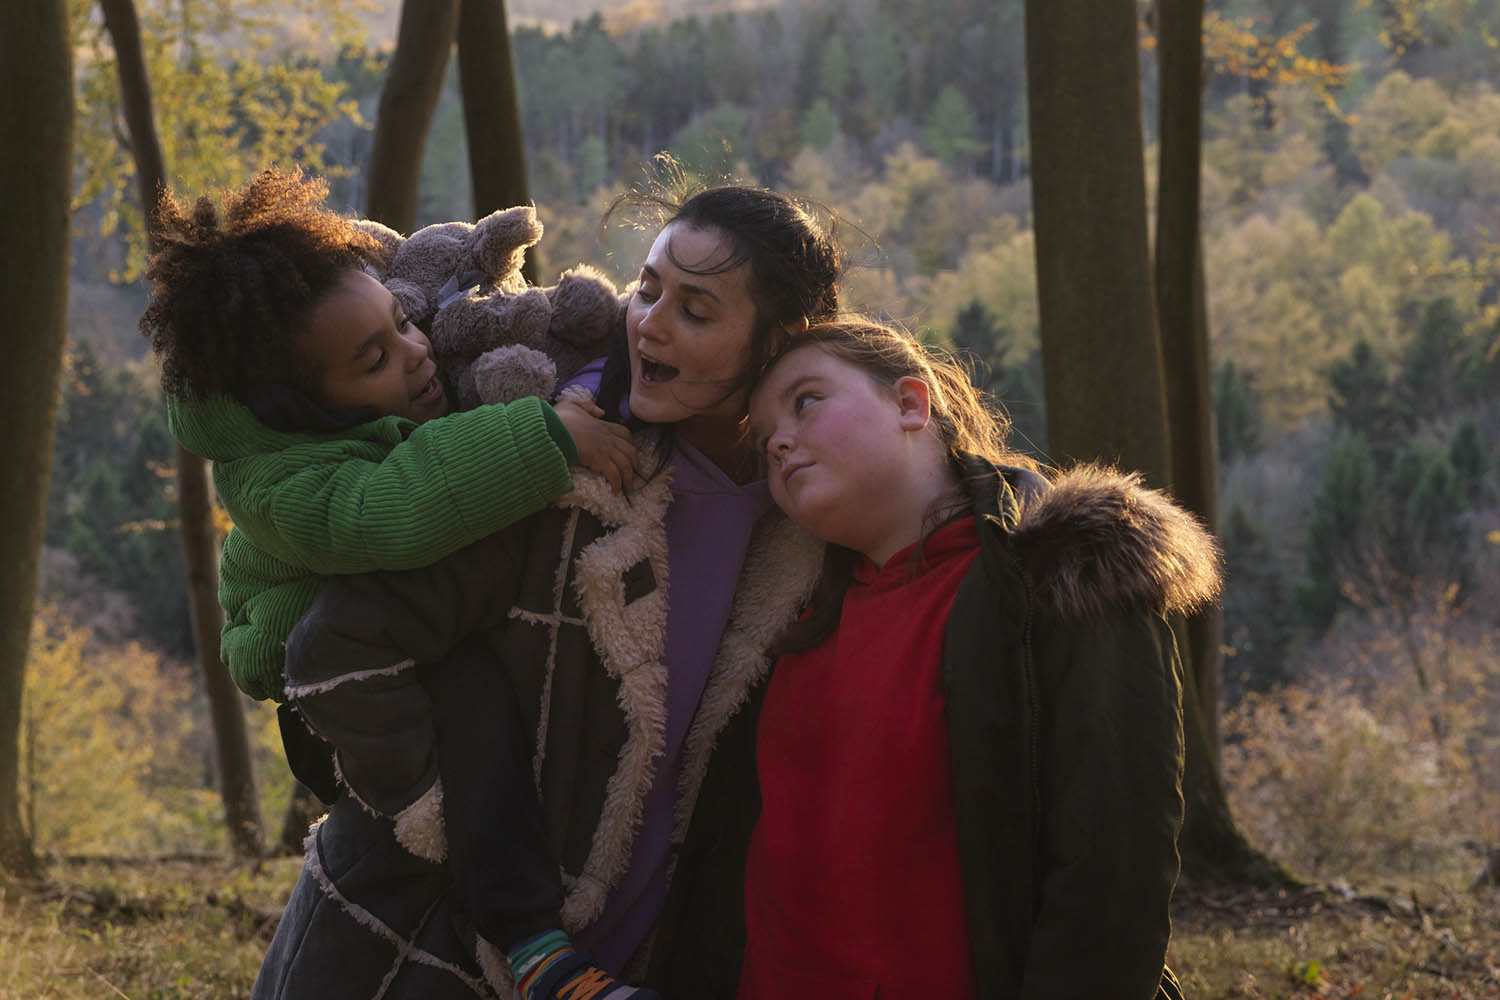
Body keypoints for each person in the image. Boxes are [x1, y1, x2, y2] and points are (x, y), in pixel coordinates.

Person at [252, 181, 844, 1000]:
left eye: (696, 311)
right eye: (647, 288)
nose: (649, 322)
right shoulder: (551, 471)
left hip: (626, 962)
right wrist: (444, 824)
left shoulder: (812, 523)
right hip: (415, 949)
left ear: (784, 339)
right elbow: (335, 650)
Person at [139, 168, 639, 996]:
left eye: (401, 321)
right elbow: (392, 510)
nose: (413, 353)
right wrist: (544, 438)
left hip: (399, 632)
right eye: (374, 359)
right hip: (325, 690)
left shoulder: (368, 384)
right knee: (475, 704)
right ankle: (533, 947)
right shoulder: (277, 482)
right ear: (298, 410)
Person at [739, 318, 1221, 999]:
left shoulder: (1060, 578)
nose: (780, 440)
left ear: (912, 403)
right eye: (764, 441)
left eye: (806, 400)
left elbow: (1112, 874)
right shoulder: (786, 618)